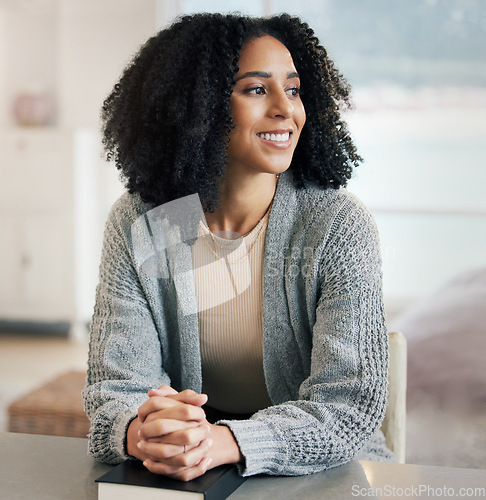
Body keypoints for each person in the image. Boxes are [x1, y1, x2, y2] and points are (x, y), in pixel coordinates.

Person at [82, 12, 394, 482]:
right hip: (192, 471)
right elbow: (116, 384)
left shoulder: (336, 225)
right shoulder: (143, 222)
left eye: (292, 89)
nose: (285, 109)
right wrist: (141, 429)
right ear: (197, 106)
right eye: (255, 89)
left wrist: (226, 440)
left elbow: (348, 407)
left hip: (330, 475)